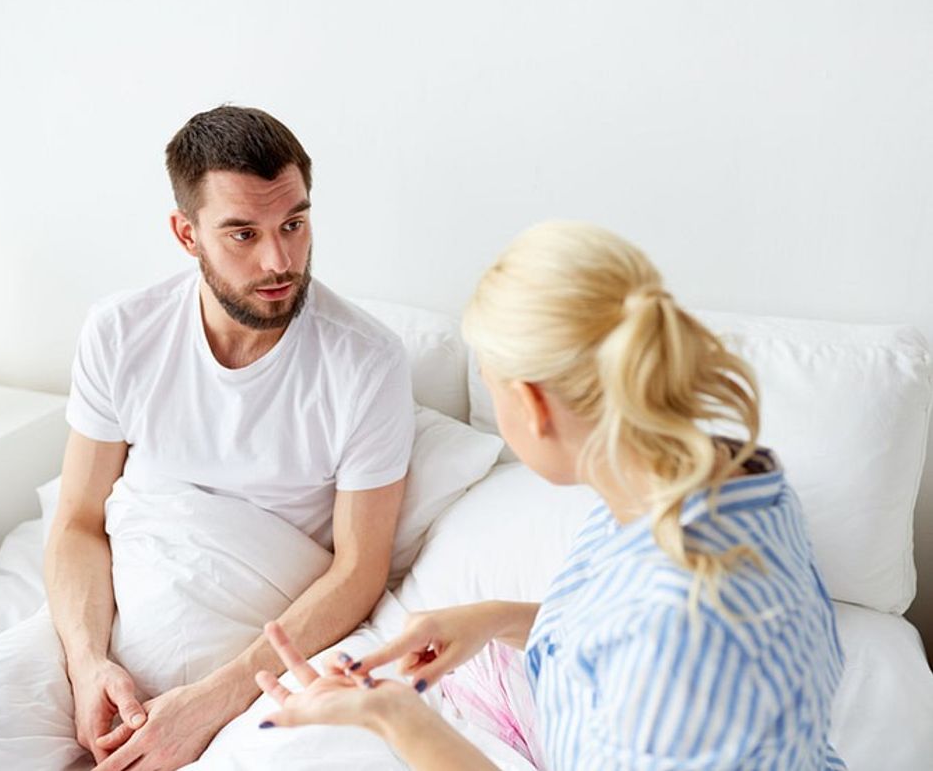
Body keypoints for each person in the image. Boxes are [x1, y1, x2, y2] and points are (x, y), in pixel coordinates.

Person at [253, 221, 847, 770]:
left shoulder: (678, 630)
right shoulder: (720, 478)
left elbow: (650, 646)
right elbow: (616, 638)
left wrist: (392, 716)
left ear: (533, 405)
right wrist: (495, 621)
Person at [0, 105, 414, 771]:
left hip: (254, 653)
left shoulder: (366, 361)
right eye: (242, 234)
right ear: (185, 233)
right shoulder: (121, 331)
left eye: (294, 223)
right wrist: (88, 665)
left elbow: (358, 569)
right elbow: (80, 520)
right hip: (107, 628)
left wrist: (209, 701)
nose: (279, 259)